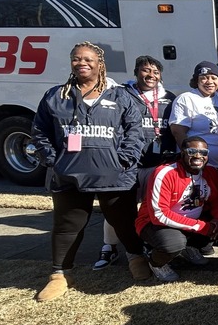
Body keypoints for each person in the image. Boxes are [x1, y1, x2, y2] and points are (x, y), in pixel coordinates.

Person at [31, 42, 152, 302]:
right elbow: (40, 130)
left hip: (115, 175)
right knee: (67, 225)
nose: (81, 63)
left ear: (100, 63)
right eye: (76, 59)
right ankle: (59, 275)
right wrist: (53, 160)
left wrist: (124, 159)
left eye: (88, 59)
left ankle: (135, 258)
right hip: (69, 174)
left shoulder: (120, 95)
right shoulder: (56, 96)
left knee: (124, 220)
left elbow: (135, 130)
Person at [94, 54, 177, 271]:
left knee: (152, 210)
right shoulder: (121, 95)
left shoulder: (170, 98)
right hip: (129, 165)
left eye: (156, 72)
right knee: (119, 210)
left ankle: (149, 246)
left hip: (158, 164)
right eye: (146, 70)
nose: (151, 75)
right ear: (136, 72)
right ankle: (109, 247)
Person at [136, 137, 218, 281]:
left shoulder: (211, 172)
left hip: (191, 220)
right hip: (156, 223)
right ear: (183, 153)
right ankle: (155, 262)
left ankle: (189, 248)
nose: (198, 156)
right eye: (192, 151)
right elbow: (159, 214)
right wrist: (202, 227)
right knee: (173, 244)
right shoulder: (165, 173)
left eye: (203, 152)